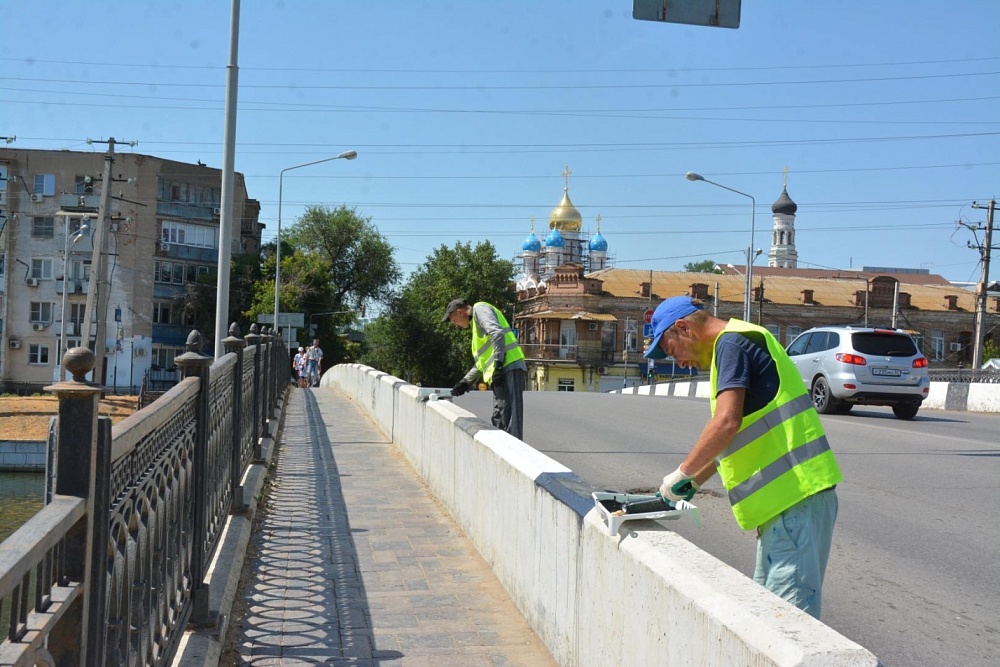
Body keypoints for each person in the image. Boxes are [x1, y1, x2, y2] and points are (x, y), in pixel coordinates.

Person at [644, 295, 842, 619]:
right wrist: (692, 482)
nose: (678, 362)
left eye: (671, 350)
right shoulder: (740, 340)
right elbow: (737, 436)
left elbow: (726, 422)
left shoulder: (731, 345)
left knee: (788, 628)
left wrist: (682, 473)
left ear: (684, 329)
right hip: (789, 508)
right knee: (766, 620)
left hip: (795, 504)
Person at [442, 298, 527, 439]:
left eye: (453, 320)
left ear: (460, 312)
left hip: (509, 366)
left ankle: (513, 452)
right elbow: (481, 363)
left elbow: (497, 333)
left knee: (511, 415)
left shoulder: (480, 309)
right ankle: (501, 448)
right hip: (500, 371)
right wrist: (465, 382)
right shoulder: (476, 327)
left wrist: (498, 365)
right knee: (501, 414)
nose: (454, 324)